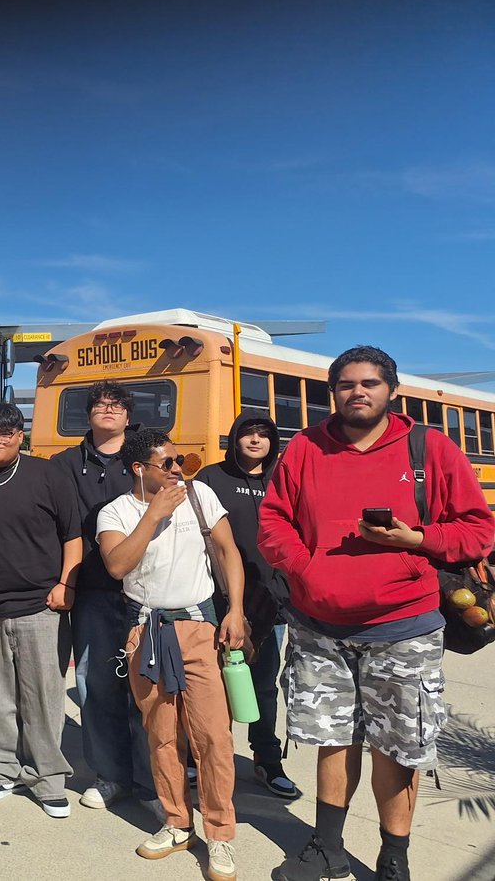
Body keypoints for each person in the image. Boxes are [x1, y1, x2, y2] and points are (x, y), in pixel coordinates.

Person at [259, 346, 495, 881]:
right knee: (331, 738)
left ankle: (394, 859)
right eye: (345, 385)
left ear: (392, 391)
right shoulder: (304, 450)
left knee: (397, 746)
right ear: (333, 394)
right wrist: (306, 568)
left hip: (404, 628)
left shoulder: (428, 448)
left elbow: (479, 531)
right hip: (319, 627)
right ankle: (327, 849)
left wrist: (417, 538)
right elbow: (274, 521)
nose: (357, 392)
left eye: (369, 383)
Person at [96, 429, 246, 881]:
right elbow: (117, 565)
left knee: (213, 736)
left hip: (199, 628)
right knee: (162, 735)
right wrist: (154, 515)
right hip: (147, 632)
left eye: (179, 460)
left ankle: (219, 835)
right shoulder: (116, 511)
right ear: (140, 469)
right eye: (167, 463)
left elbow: (228, 550)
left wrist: (235, 610)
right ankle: (178, 822)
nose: (178, 469)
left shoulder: (200, 495)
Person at [0, 402, 81, 819]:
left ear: (20, 436)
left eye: (6, 433)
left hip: (41, 604)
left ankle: (48, 778)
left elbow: (73, 533)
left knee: (44, 697)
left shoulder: (48, 475)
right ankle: (1, 769)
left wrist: (67, 583)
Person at [50, 381, 161, 820]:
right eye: (100, 404)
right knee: (95, 688)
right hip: (94, 591)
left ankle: (151, 779)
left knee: (147, 690)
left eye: (117, 406)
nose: (108, 411)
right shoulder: (62, 465)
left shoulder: (147, 462)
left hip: (147, 591)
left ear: (129, 415)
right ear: (88, 414)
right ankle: (109, 775)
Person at [194, 412, 299, 799]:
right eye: (248, 434)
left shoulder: (282, 479)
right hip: (219, 600)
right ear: (235, 438)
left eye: (264, 435)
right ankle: (200, 758)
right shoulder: (211, 478)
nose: (256, 441)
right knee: (211, 684)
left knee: (263, 685)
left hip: (271, 603)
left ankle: (267, 760)